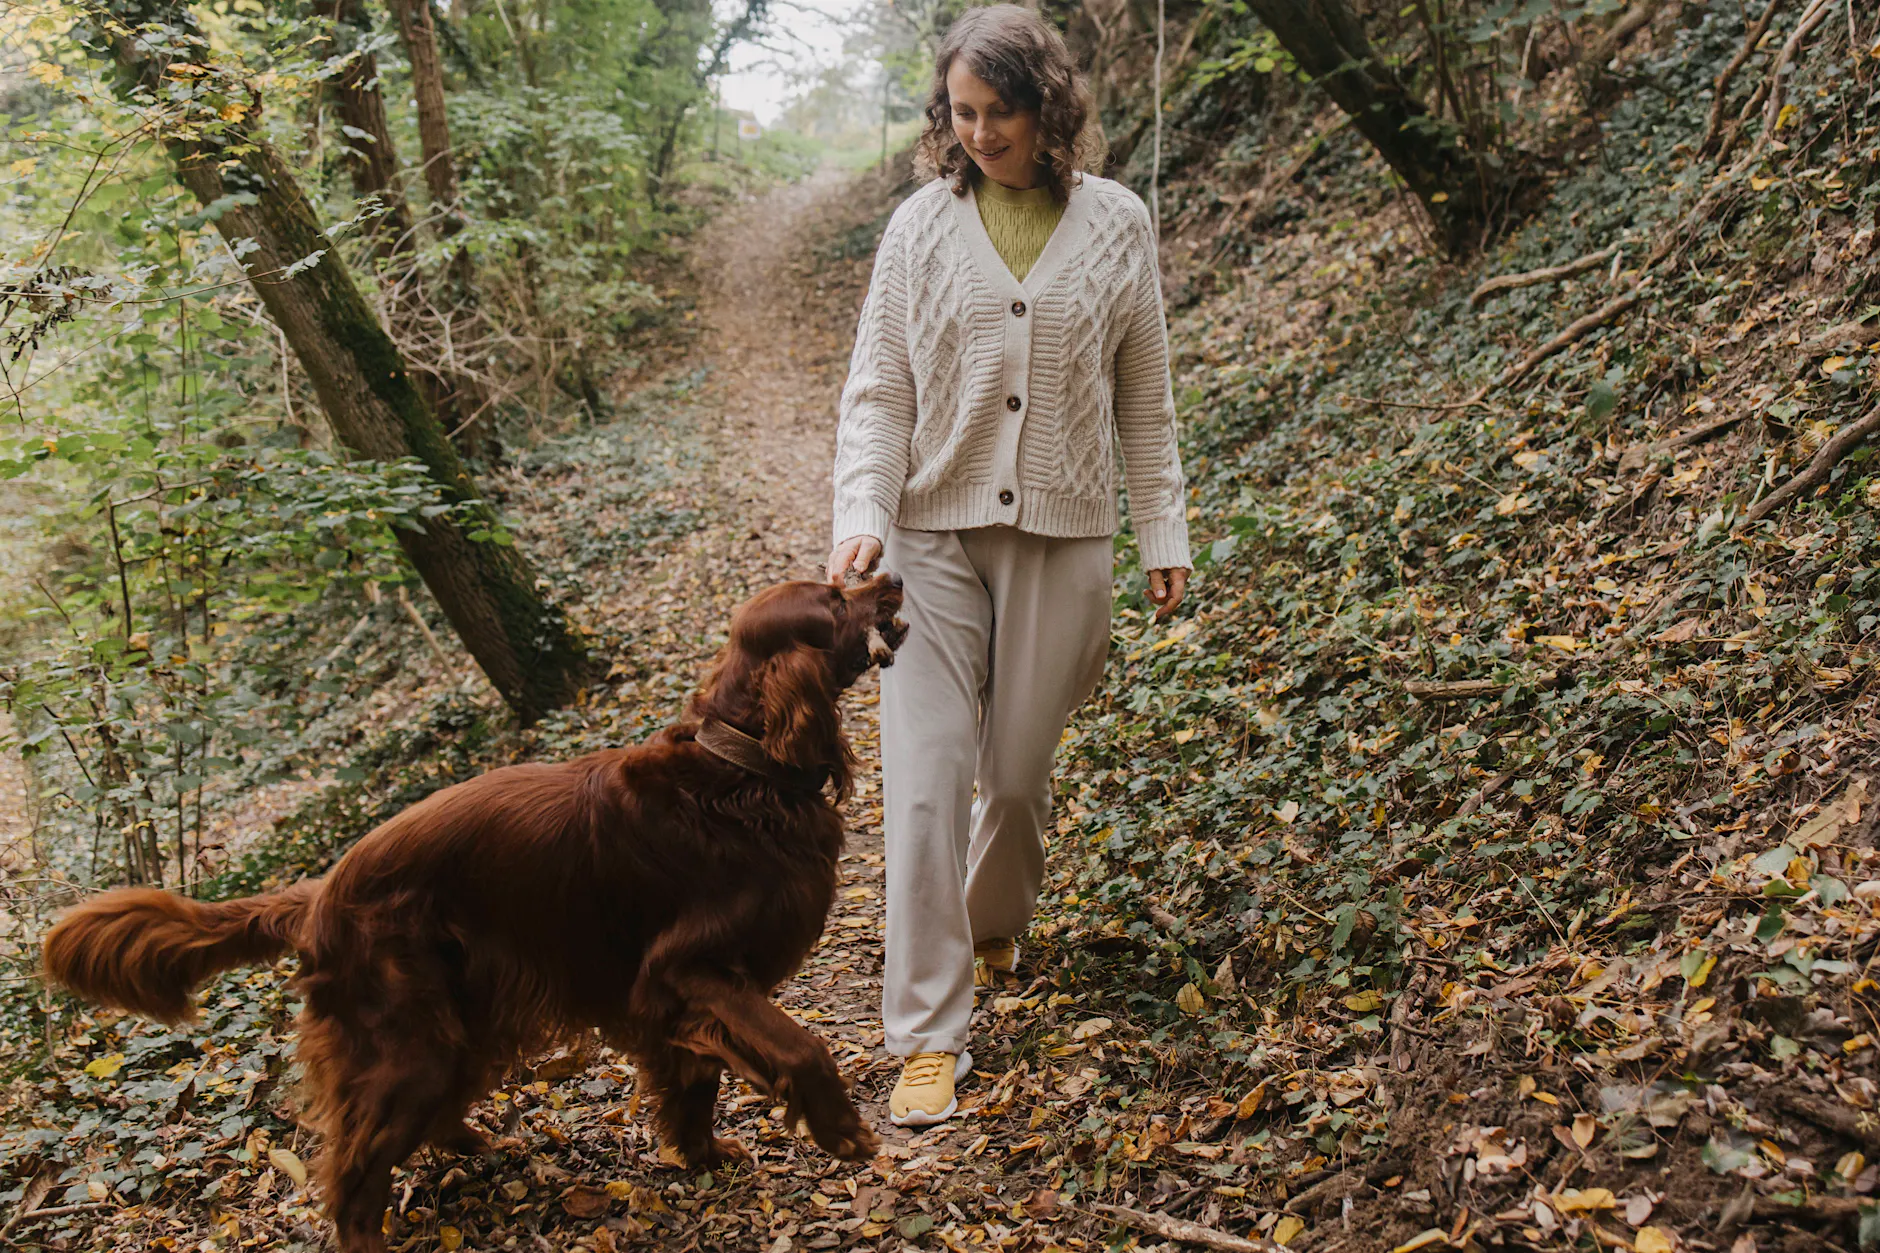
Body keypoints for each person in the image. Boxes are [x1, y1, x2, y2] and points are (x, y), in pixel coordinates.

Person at [827, 3, 1191, 1128]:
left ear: (1047, 109)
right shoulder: (917, 232)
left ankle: (990, 918)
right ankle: (928, 1030)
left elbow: (1144, 394)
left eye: (999, 112)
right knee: (929, 782)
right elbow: (879, 391)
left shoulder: (1118, 223)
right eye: (962, 113)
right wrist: (862, 512)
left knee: (1017, 779)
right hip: (927, 540)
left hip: (1066, 534)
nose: (978, 133)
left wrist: (1160, 529)